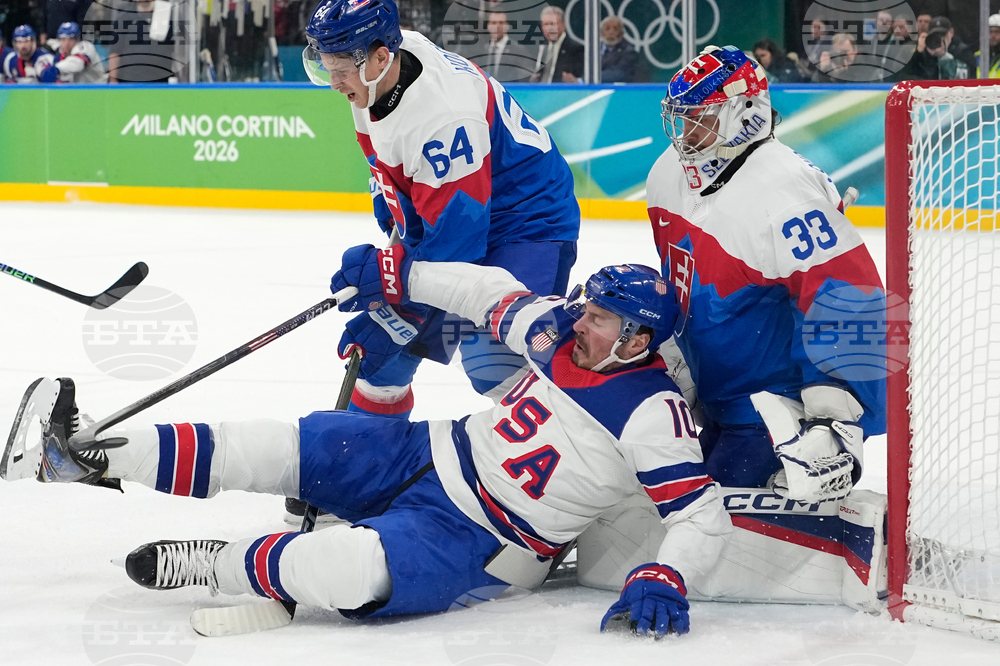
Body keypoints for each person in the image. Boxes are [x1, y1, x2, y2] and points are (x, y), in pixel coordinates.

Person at [5, 262, 731, 637]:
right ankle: (88, 453)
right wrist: (398, 275)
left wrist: (668, 576)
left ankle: (221, 563)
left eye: (600, 318)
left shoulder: (655, 415)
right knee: (300, 441)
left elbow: (700, 516)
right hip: (426, 450)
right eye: (585, 306)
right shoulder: (558, 331)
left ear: (637, 338)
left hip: (483, 538)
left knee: (351, 567)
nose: (579, 321)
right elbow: (486, 293)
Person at [576, 45, 888, 613]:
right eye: (681, 116)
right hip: (712, 386)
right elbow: (684, 277)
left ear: (744, 113)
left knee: (703, 524)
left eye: (699, 117)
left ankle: (842, 521)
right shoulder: (668, 173)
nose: (684, 131)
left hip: (769, 403)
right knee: (634, 494)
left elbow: (853, 299)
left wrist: (837, 410)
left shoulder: (784, 191)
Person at [302, 0, 579, 420]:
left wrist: (399, 300)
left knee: (497, 361)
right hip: (457, 208)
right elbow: (384, 151)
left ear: (379, 57)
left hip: (525, 219)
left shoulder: (444, 119)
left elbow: (456, 254)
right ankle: (364, 461)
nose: (334, 82)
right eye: (326, 67)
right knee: (383, 360)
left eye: (340, 70)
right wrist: (389, 201)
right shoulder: (382, 68)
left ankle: (585, 438)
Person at [38, 22, 108, 83]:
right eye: (63, 39)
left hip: (100, 89)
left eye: (71, 39)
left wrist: (56, 69)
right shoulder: (61, 55)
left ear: (77, 39)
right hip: (81, 93)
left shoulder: (85, 46)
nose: (66, 43)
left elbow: (78, 64)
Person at [530, 6, 583, 83]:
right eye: (546, 24)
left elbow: (581, 79)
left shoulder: (576, 49)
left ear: (563, 24)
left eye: (553, 24)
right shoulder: (540, 49)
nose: (549, 28)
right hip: (539, 93)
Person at [600, 16, 636, 84]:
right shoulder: (592, 51)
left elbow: (619, 74)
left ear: (621, 34)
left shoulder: (629, 52)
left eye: (615, 29)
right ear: (601, 32)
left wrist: (589, 78)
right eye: (607, 29)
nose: (611, 32)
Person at [976, 13, 1000, 78]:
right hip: (980, 88)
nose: (993, 35)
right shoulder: (978, 56)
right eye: (990, 31)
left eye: (997, 32)